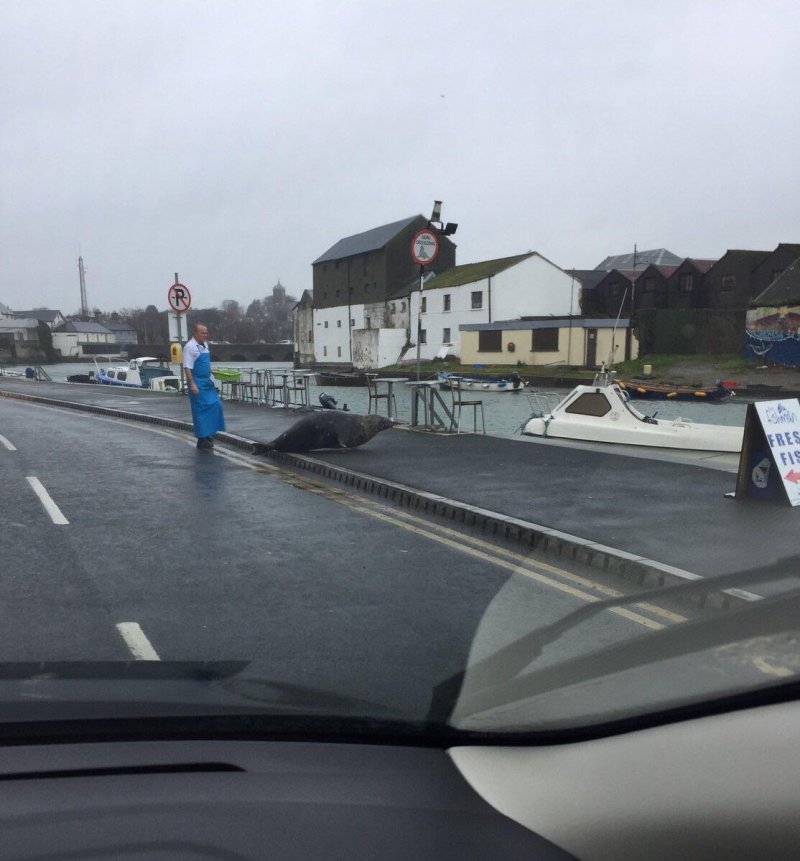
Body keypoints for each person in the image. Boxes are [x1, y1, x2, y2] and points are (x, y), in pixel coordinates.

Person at [183, 322, 225, 450]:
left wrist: (212, 370)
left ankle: (210, 436)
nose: (205, 335)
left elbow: (204, 364)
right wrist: (192, 384)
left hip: (207, 382)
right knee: (201, 411)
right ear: (195, 333)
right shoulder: (189, 347)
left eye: (206, 333)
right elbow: (187, 367)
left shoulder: (205, 345)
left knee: (216, 405)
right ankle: (204, 440)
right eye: (203, 333)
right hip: (197, 382)